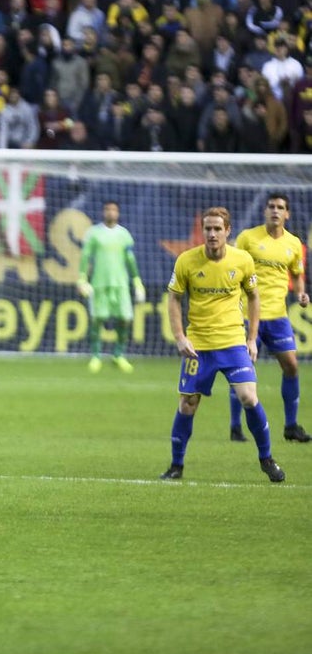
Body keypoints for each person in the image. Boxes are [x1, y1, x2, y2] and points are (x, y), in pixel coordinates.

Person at [161, 207, 285, 483]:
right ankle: (176, 465)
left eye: (218, 229)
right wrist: (180, 337)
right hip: (199, 346)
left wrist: (251, 338)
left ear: (228, 231)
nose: (212, 233)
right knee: (187, 404)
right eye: (208, 228)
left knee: (249, 398)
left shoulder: (242, 260)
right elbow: (173, 298)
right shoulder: (186, 261)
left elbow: (254, 297)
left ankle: (266, 458)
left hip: (232, 343)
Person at [228, 194, 311, 444]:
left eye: (280, 208)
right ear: (265, 211)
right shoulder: (247, 238)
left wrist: (300, 293)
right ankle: (235, 427)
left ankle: (291, 426)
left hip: (277, 317)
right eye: (271, 206)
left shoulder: (294, 244)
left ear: (287, 214)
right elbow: (231, 268)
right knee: (242, 370)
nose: (275, 211)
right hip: (246, 316)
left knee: (292, 366)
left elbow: (296, 274)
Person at [77, 201, 146, 374]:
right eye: (107, 209)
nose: (110, 212)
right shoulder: (94, 233)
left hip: (120, 284)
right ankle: (96, 356)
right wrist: (82, 279)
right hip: (99, 283)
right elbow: (86, 256)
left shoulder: (124, 234)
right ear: (103, 212)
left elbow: (130, 259)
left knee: (125, 318)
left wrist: (137, 281)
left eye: (114, 209)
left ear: (118, 213)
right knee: (97, 319)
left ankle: (118, 354)